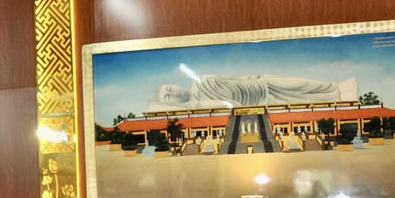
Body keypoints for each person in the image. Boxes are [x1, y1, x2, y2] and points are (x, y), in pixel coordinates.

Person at [150, 73, 360, 110]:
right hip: (256, 102)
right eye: (168, 97)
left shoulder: (202, 80)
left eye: (169, 89)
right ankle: (336, 96)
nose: (173, 94)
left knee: (297, 85)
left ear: (174, 83)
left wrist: (256, 78)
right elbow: (229, 106)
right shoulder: (196, 104)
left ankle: (337, 88)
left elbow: (233, 79)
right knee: (298, 100)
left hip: (258, 85)